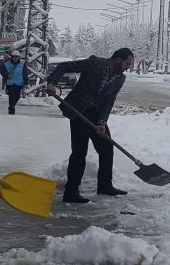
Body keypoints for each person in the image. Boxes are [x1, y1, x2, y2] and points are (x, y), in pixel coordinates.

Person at [46, 48, 136, 203]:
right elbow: (64, 67)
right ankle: (71, 192)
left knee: (107, 148)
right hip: (79, 110)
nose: (128, 67)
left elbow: (109, 100)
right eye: (127, 63)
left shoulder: (120, 78)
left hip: (96, 114)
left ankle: (105, 185)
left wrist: (102, 122)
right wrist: (52, 83)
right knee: (80, 151)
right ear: (118, 59)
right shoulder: (95, 64)